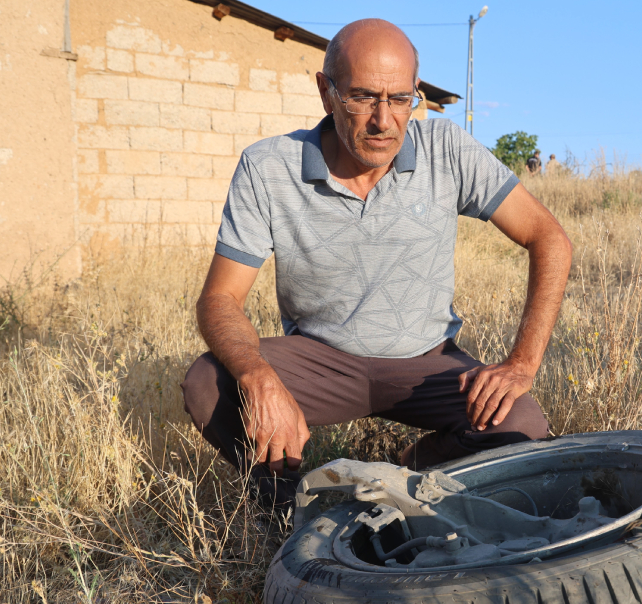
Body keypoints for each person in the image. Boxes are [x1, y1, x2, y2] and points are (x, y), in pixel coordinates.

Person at [180, 19, 573, 512]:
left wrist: (522, 364)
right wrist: (260, 380)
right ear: (327, 92)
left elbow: (548, 238)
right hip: (321, 361)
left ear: (416, 96)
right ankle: (287, 503)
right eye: (363, 97)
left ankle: (416, 464)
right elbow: (219, 299)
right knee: (208, 385)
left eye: (401, 99)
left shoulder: (446, 150)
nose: (383, 120)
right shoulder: (269, 168)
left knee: (523, 426)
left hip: (426, 361)